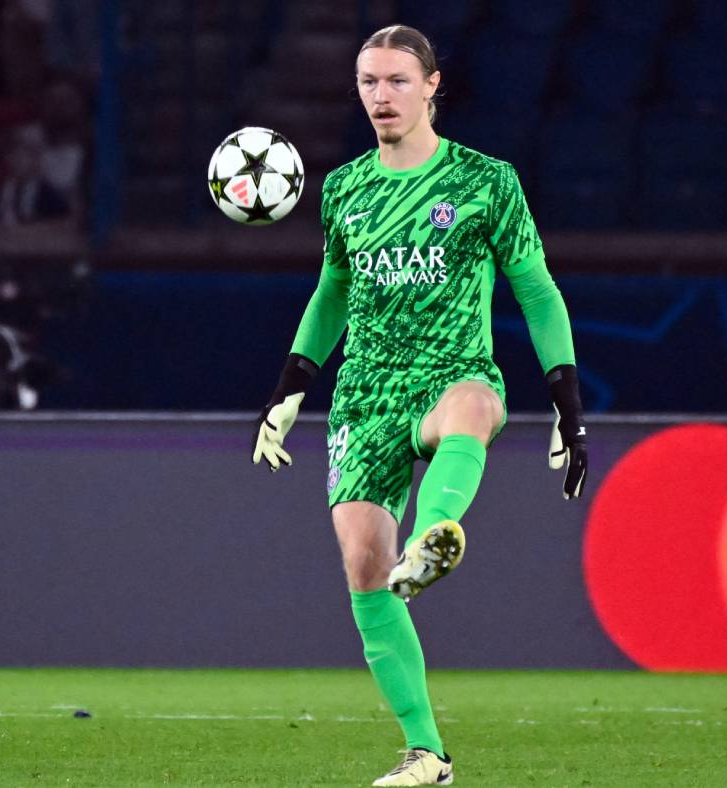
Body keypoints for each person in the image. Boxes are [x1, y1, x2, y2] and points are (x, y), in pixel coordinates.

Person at [250, 24, 588, 788]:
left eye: (398, 80)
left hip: (452, 369)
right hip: (365, 394)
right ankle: (427, 754)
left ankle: (434, 533)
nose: (382, 96)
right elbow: (332, 293)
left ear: (432, 86)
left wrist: (567, 406)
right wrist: (288, 389)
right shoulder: (345, 188)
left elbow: (537, 292)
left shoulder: (485, 181)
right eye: (369, 81)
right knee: (362, 567)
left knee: (470, 409)